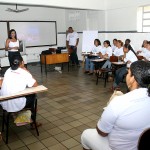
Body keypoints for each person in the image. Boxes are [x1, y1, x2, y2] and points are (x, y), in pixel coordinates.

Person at [81, 60, 150, 150]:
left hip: (116, 147)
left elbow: (102, 131)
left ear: (133, 79)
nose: (126, 76)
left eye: (128, 73)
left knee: (85, 134)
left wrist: (109, 109)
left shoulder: (119, 101)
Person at [0, 55, 41, 129]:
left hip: (4, 103)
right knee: (33, 96)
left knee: (18, 93)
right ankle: (32, 121)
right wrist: (28, 72)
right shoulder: (24, 72)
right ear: (22, 62)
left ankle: (16, 114)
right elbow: (35, 84)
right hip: (15, 104)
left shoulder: (8, 70)